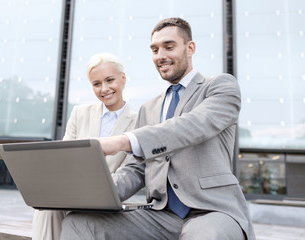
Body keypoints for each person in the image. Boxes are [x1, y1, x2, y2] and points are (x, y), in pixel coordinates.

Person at [60, 17, 256, 240]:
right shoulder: (149, 109)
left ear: (190, 48)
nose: (160, 56)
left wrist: (122, 141)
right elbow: (136, 168)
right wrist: (92, 193)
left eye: (168, 47)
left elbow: (191, 126)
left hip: (212, 211)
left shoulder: (220, 87)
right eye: (154, 49)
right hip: (161, 215)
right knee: (79, 222)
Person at [32, 53, 137, 240]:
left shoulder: (139, 121)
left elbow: (131, 170)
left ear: (123, 79)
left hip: (109, 198)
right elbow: (63, 160)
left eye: (109, 80)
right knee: (46, 207)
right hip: (73, 191)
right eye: (97, 84)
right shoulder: (80, 113)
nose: (104, 89)